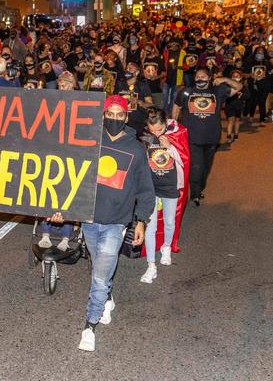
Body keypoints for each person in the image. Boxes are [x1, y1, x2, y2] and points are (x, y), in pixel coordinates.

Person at [47, 95, 155, 352]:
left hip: (116, 224)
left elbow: (145, 190)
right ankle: (107, 295)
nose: (115, 118)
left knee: (98, 275)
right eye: (111, 113)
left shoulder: (136, 150)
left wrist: (141, 221)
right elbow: (69, 175)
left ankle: (89, 326)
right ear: (103, 115)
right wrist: (61, 209)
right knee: (99, 269)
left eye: (120, 114)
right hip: (89, 219)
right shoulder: (89, 143)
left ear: (127, 117)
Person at [172, 68, 242, 206]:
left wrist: (224, 79)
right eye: (197, 76)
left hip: (211, 138)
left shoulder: (218, 91)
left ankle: (199, 189)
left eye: (203, 76)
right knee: (196, 167)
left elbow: (239, 86)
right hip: (191, 138)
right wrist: (174, 126)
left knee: (206, 168)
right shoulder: (186, 91)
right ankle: (195, 195)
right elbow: (176, 107)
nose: (200, 78)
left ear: (209, 78)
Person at [139, 109, 185, 284]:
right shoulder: (145, 138)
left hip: (170, 186)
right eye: (153, 130)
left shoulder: (176, 136)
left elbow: (184, 160)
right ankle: (151, 265)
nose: (156, 133)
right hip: (151, 187)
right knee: (150, 227)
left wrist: (170, 148)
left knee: (169, 221)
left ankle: (166, 246)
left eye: (159, 129)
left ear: (165, 124)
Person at [113, 61, 153, 133]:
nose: (128, 70)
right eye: (127, 69)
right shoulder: (119, 83)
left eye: (130, 69)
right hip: (121, 119)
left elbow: (150, 104)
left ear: (137, 72)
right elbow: (113, 100)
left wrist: (138, 101)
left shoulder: (142, 84)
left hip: (137, 121)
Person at [224, 70, 248, 143]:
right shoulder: (227, 86)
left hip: (239, 106)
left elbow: (248, 96)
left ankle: (236, 135)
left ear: (240, 77)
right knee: (231, 120)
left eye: (237, 76)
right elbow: (224, 95)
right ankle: (228, 136)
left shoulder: (243, 86)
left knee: (237, 120)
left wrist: (242, 95)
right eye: (233, 76)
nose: (235, 78)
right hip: (229, 106)